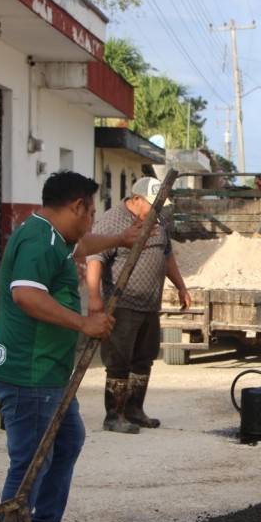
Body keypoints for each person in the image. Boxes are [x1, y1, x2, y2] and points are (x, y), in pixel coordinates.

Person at [0, 170, 146, 522]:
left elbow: (84, 244)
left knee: (67, 440)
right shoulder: (39, 240)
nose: (92, 220)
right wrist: (82, 323)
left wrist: (121, 240)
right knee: (32, 460)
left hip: (49, 374)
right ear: (76, 206)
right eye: (91, 211)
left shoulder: (54, 237)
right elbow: (26, 295)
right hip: (29, 372)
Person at [86, 178, 191, 434]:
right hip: (122, 305)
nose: (158, 210)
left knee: (144, 360)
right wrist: (93, 297)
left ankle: (134, 410)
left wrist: (181, 286)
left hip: (149, 305)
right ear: (136, 200)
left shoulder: (158, 222)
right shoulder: (114, 220)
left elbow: (166, 255)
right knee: (119, 360)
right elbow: (95, 258)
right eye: (153, 205)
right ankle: (114, 415)